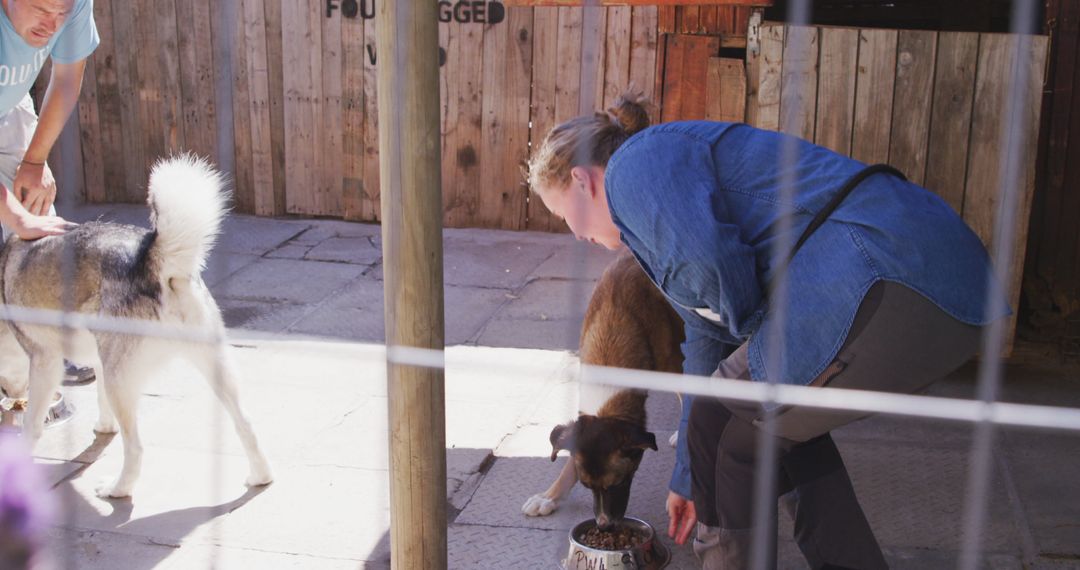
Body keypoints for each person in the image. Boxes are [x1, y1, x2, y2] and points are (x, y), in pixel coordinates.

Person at [526, 93, 1008, 569]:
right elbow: (703, 349)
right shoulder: (652, 228)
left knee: (725, 428)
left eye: (565, 215)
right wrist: (685, 477)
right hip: (941, 283)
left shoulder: (634, 166)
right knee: (772, 427)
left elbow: (714, 263)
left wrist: (754, 346)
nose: (576, 235)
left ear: (582, 180)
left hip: (890, 271)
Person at [1, 0, 99, 384]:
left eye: (62, 13)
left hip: (10, 108)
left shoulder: (70, 4)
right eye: (42, 9)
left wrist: (34, 161)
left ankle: (55, 348)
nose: (53, 24)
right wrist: (15, 217)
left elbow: (65, 79)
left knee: (40, 219)